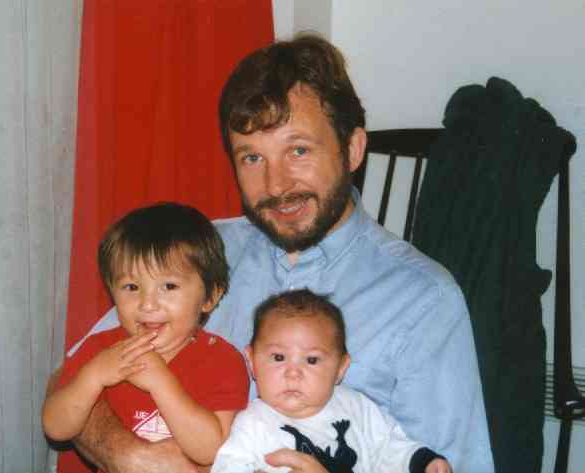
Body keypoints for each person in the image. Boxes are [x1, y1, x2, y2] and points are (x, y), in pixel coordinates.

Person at [48, 34, 494, 472]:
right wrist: (130, 455)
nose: (276, 185)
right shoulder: (196, 252)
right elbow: (68, 377)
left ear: (353, 148)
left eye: (298, 150)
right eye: (252, 158)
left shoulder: (423, 299)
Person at [42, 202, 249, 469]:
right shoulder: (101, 349)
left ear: (210, 297)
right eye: (131, 287)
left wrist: (161, 383)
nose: (147, 304)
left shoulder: (222, 360)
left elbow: (210, 451)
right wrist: (93, 377)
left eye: (169, 286)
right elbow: (55, 429)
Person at [212, 289, 453, 473]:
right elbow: (229, 465)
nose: (293, 373)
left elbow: (390, 445)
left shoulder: (356, 407)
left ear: (340, 368)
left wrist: (424, 462)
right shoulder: (253, 424)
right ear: (252, 361)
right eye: (278, 357)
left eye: (312, 360)